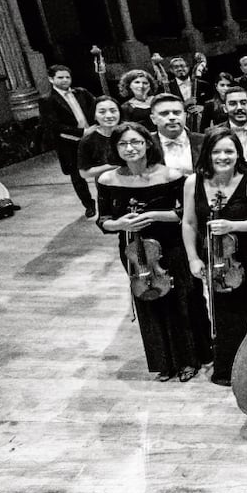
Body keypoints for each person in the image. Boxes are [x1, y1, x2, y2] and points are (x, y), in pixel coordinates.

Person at [96, 123, 203, 382]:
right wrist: (119, 224)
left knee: (180, 302)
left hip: (171, 245)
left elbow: (185, 214)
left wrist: (154, 215)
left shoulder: (170, 175)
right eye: (123, 144)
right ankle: (163, 362)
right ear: (115, 148)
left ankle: (188, 360)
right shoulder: (108, 179)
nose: (130, 148)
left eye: (136, 142)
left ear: (147, 144)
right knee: (148, 301)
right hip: (134, 249)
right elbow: (104, 220)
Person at [181, 129, 247, 386]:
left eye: (229, 151)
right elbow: (189, 223)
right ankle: (228, 369)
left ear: (238, 154)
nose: (223, 156)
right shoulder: (193, 183)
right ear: (207, 154)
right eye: (217, 151)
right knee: (223, 315)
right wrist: (193, 258)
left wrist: (233, 226)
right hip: (216, 260)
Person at [40, 64, 97, 216]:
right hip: (69, 143)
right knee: (77, 176)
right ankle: (89, 204)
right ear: (51, 79)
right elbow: (54, 125)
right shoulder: (47, 100)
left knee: (101, 169)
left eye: (67, 77)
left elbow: (97, 107)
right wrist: (82, 131)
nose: (65, 80)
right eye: (60, 77)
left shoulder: (82, 92)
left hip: (92, 138)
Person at [150, 94, 203, 175]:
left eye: (176, 113)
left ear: (185, 116)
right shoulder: (147, 145)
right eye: (164, 113)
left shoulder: (204, 141)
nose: (172, 117)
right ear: (153, 119)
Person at [78, 96, 121, 181]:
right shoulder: (88, 140)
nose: (109, 115)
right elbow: (84, 173)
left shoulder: (130, 132)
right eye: (102, 112)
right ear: (94, 116)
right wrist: (112, 166)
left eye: (113, 111)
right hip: (107, 186)